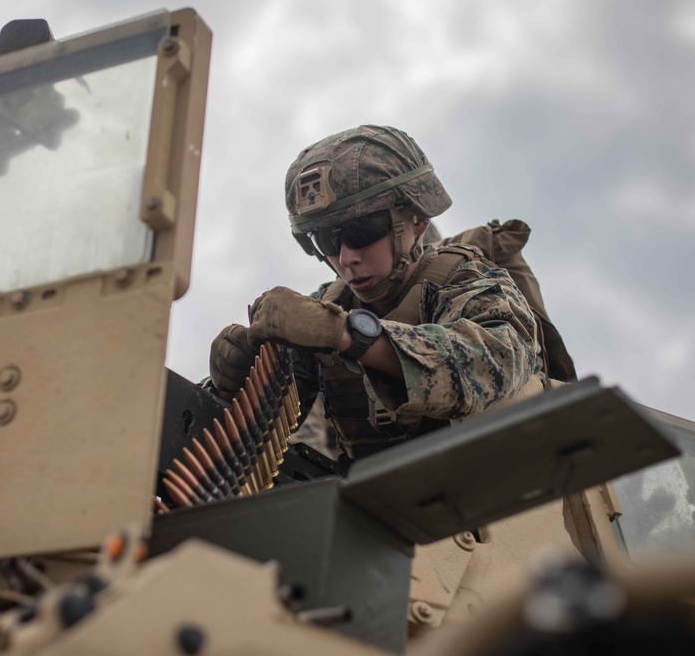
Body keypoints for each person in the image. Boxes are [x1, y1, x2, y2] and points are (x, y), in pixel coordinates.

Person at [208, 125, 547, 460]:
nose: (345, 258)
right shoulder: (328, 305)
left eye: (360, 231)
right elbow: (257, 437)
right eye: (326, 240)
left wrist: (345, 335)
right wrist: (232, 385)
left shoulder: (467, 281)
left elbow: (496, 363)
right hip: (371, 503)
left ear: (417, 220)